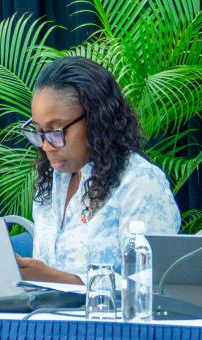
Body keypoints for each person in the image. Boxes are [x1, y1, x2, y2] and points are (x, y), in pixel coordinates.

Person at [16, 56, 180, 284]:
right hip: (48, 319)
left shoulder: (140, 182)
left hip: (110, 320)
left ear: (96, 120)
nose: (45, 145)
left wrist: (57, 279)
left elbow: (152, 285)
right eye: (39, 131)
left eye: (55, 131)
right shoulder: (51, 182)